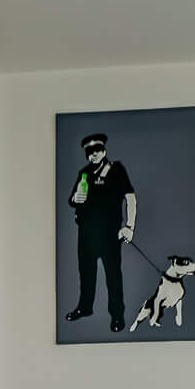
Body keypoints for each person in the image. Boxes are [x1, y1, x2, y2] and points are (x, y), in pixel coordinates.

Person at [65, 132, 138, 332]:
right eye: (89, 152)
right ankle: (85, 307)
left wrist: (130, 227)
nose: (94, 154)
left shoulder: (116, 170)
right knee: (86, 275)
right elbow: (72, 199)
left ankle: (117, 316)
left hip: (109, 235)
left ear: (104, 150)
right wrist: (75, 199)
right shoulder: (84, 173)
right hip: (86, 235)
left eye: (97, 150)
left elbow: (130, 198)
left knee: (113, 277)